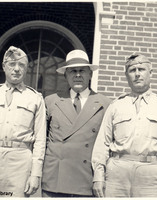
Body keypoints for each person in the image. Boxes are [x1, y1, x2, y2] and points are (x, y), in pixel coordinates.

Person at [91, 53, 157, 197]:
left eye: (141, 69)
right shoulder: (116, 105)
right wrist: (98, 175)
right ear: (126, 75)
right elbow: (102, 142)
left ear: (150, 73)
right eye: (132, 71)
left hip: (152, 175)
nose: (137, 74)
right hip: (117, 174)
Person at [41, 49, 111, 197]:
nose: (78, 75)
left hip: (86, 181)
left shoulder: (105, 104)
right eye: (73, 71)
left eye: (82, 71)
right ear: (65, 75)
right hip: (55, 181)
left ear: (90, 74)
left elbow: (107, 145)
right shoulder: (51, 101)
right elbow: (42, 141)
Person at [0, 46, 46, 197]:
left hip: (19, 163)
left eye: (21, 65)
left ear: (26, 69)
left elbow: (40, 139)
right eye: (12, 64)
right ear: (4, 67)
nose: (16, 69)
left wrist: (35, 174)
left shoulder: (35, 98)